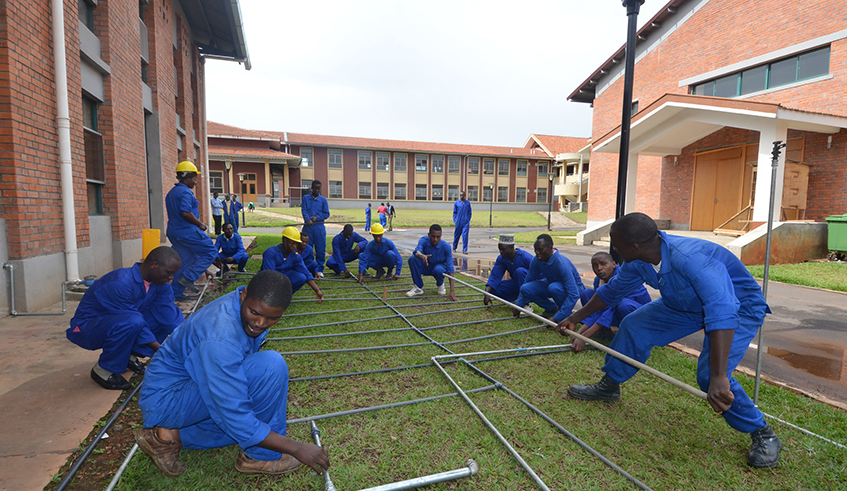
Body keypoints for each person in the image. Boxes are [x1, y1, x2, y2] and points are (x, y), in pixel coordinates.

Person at [556, 212, 781, 469]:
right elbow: (611, 292)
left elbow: (722, 309)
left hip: (737, 307)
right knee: (634, 325)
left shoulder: (690, 259)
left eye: (616, 244)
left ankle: (763, 433)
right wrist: (575, 317)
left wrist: (719, 377)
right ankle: (609, 386)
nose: (613, 249)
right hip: (683, 303)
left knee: (710, 376)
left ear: (635, 246)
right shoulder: (638, 261)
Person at [135, 270, 331, 478]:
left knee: (247, 423)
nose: (260, 324)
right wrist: (297, 448)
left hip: (188, 386)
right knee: (269, 368)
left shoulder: (242, 304)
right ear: (245, 295)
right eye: (255, 313)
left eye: (272, 318)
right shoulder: (220, 337)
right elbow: (235, 413)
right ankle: (259, 456)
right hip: (167, 399)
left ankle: (170, 436)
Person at [67, 247, 184, 390]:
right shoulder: (120, 282)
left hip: (121, 320)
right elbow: (134, 320)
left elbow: (168, 313)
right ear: (154, 265)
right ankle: (103, 370)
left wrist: (186, 339)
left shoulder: (159, 283)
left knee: (161, 317)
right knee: (133, 322)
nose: (171, 278)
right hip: (87, 328)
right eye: (169, 272)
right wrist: (163, 352)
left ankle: (129, 355)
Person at [570, 251, 652, 352]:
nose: (599, 268)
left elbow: (610, 309)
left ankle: (634, 337)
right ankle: (606, 331)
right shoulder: (599, 280)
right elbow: (598, 309)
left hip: (642, 316)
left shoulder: (623, 279)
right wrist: (579, 333)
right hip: (618, 310)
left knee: (622, 305)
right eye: (595, 266)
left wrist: (585, 336)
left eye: (603, 264)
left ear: (613, 264)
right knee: (587, 294)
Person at [166, 161, 217, 301]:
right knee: (211, 251)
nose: (195, 182)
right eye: (194, 179)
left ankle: (175, 293)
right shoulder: (185, 193)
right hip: (187, 231)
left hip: (174, 232)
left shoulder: (172, 192)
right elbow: (185, 212)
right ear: (186, 177)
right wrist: (200, 224)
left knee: (183, 260)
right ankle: (188, 278)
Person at [513, 234, 584, 321]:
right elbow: (528, 280)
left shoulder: (562, 263)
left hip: (574, 288)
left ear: (550, 248)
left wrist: (557, 318)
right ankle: (552, 309)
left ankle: (565, 315)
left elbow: (573, 293)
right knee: (525, 288)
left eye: (540, 249)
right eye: (535, 250)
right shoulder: (537, 260)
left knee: (554, 287)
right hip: (552, 283)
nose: (537, 253)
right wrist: (519, 305)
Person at [260, 227, 324, 301]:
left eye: (296, 244)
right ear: (284, 240)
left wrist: (317, 291)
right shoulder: (270, 252)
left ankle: (283, 297)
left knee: (301, 277)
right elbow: (269, 275)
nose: (294, 247)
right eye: (291, 243)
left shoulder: (295, 256)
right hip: (269, 280)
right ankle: (271, 296)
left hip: (283, 278)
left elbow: (306, 272)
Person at [407, 224, 457, 301]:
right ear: (429, 235)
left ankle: (440, 284)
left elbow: (450, 269)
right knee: (412, 259)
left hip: (438, 268)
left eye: (438, 237)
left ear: (441, 236)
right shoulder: (423, 240)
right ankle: (418, 287)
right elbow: (417, 252)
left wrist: (452, 291)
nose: (435, 239)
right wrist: (423, 256)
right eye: (433, 236)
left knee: (439, 269)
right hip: (425, 266)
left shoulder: (446, 246)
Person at [483, 234, 534, 305]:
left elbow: (540, 274)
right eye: (500, 249)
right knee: (493, 289)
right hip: (516, 284)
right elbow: (495, 276)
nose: (501, 252)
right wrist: (487, 293)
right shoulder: (501, 258)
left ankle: (526, 303)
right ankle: (516, 298)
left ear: (512, 247)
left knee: (520, 271)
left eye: (504, 250)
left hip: (530, 285)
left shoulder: (525, 257)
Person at [301, 180, 330, 278]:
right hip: (308, 228)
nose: (317, 190)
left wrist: (318, 217)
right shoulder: (305, 198)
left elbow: (327, 214)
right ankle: (307, 269)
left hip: (319, 228)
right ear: (311, 188)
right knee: (306, 249)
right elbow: (304, 210)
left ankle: (319, 270)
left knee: (320, 249)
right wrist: (307, 219)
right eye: (315, 188)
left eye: (319, 189)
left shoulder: (323, 200)